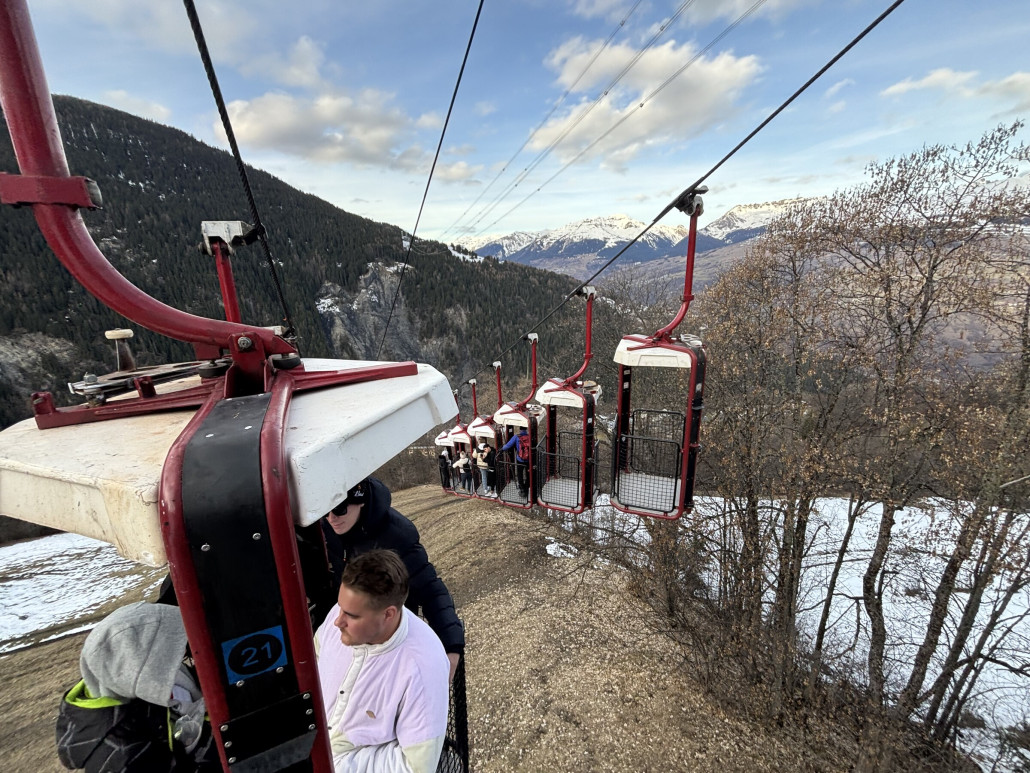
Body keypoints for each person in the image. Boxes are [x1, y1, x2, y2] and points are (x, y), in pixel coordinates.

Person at [315, 550, 449, 773]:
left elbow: (416, 767)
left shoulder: (423, 665)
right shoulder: (338, 616)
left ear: (388, 614)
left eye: (352, 615)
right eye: (340, 607)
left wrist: (337, 765)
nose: (337, 621)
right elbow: (315, 658)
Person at [318, 477, 464, 681]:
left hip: (388, 634)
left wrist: (451, 645)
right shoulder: (324, 529)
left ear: (361, 501)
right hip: (346, 630)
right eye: (325, 511)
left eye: (340, 509)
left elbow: (430, 588)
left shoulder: (396, 535)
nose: (332, 518)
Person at [56, 601, 218, 772]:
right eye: (173, 648)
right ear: (137, 664)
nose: (186, 652)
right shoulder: (123, 757)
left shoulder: (131, 684)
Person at [499, 426, 531, 498]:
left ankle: (522, 489)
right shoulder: (530, 436)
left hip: (520, 459)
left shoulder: (517, 437)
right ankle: (526, 489)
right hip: (529, 459)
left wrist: (502, 449)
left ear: (520, 429)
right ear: (526, 429)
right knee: (528, 474)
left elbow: (508, 445)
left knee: (520, 474)